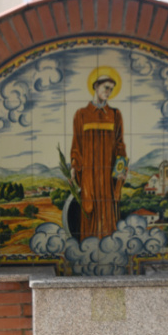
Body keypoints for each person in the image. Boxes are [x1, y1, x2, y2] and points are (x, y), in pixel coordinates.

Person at [70, 69, 127, 241]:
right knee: (89, 209)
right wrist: (74, 167)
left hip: (108, 176)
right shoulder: (81, 114)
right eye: (106, 88)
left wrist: (120, 172)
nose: (108, 92)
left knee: (107, 211)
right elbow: (76, 145)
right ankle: (88, 248)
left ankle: (108, 248)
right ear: (96, 87)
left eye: (111, 89)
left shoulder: (115, 115)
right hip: (88, 174)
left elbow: (120, 146)